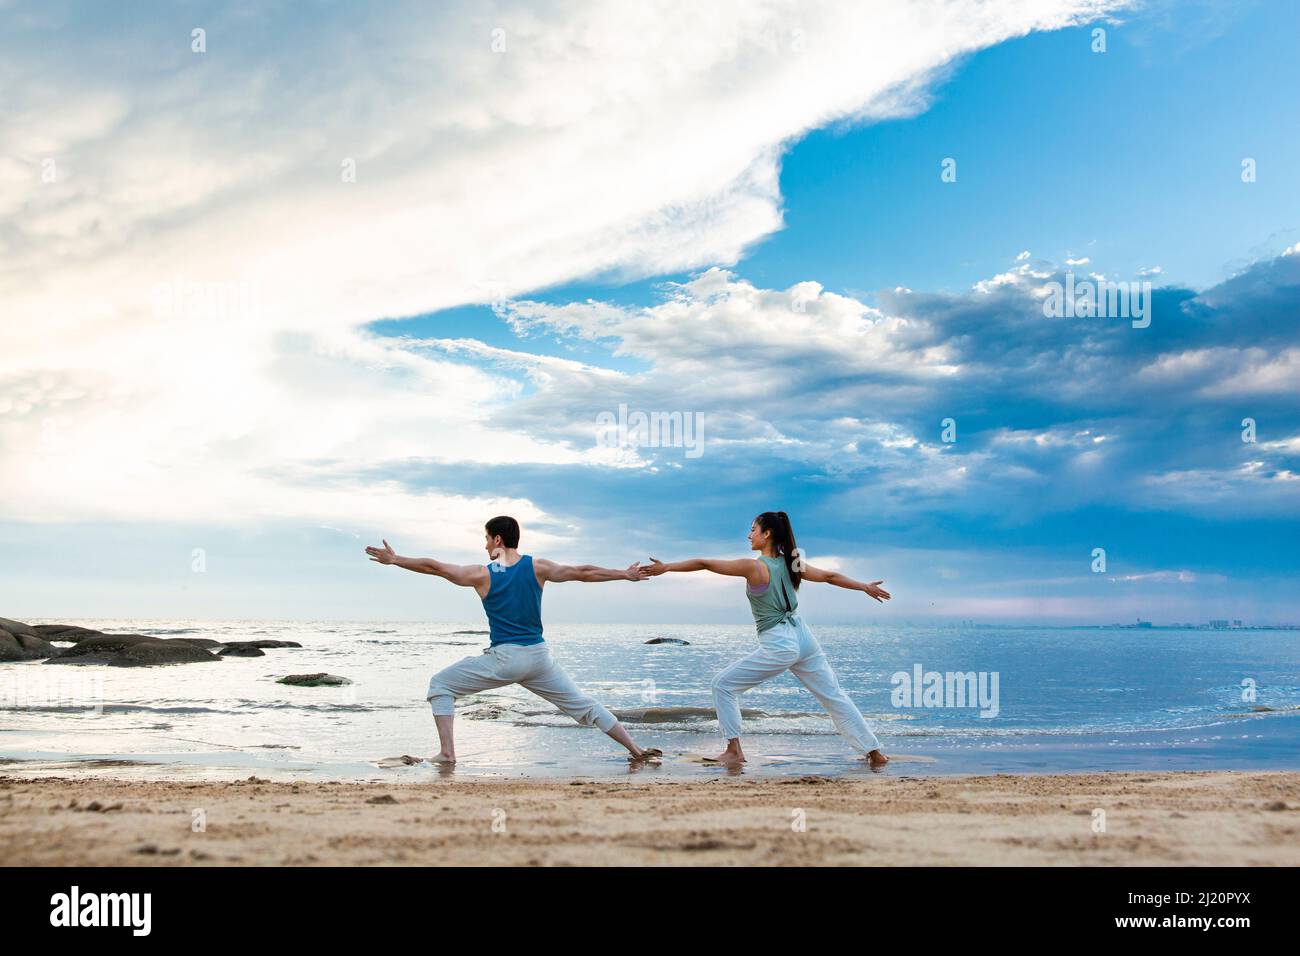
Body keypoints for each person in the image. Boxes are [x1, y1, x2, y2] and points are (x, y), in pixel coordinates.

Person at [365, 515, 660, 764]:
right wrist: (624, 574)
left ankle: (447, 753)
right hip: (539, 658)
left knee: (440, 685)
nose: (483, 545)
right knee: (583, 705)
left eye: (486, 539)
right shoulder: (537, 567)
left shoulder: (482, 574)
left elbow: (436, 567)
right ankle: (636, 750)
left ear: (497, 540)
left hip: (506, 658)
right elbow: (581, 572)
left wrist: (396, 560)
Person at [645, 511, 890, 768]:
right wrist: (864, 586)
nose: (749, 534)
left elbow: (705, 563)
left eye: (753, 529)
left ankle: (734, 751)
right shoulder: (792, 563)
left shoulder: (754, 566)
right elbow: (830, 577)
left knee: (723, 686)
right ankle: (875, 753)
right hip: (803, 635)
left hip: (780, 641)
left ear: (767, 534)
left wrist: (667, 567)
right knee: (833, 695)